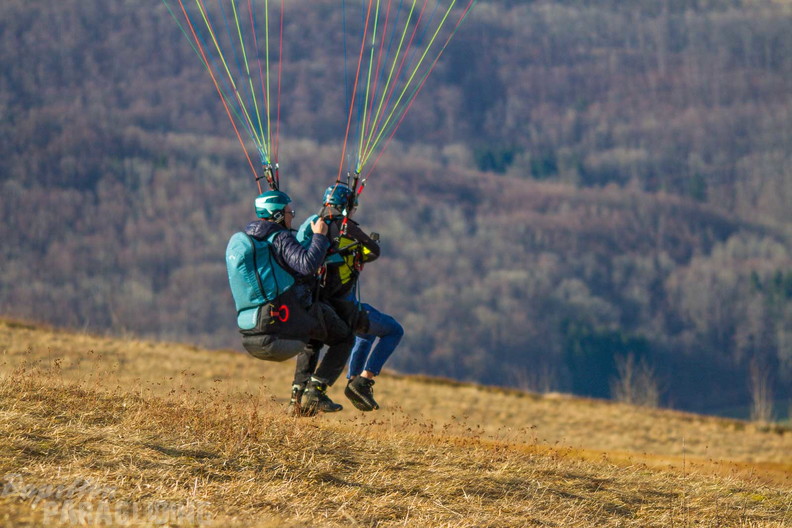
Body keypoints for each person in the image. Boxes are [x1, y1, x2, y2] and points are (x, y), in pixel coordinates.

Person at [225, 190, 355, 415]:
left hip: (255, 328)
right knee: (344, 337)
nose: (291, 216)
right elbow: (306, 265)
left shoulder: (255, 240)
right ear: (276, 215)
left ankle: (296, 400)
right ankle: (316, 391)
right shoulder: (280, 238)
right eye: (288, 212)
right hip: (282, 328)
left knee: (315, 333)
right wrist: (320, 237)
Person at [296, 182, 402, 411]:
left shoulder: (313, 226)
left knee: (362, 333)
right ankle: (362, 380)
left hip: (317, 303)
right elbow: (373, 250)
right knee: (393, 330)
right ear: (347, 207)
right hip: (343, 308)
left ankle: (308, 393)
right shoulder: (346, 228)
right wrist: (359, 251)